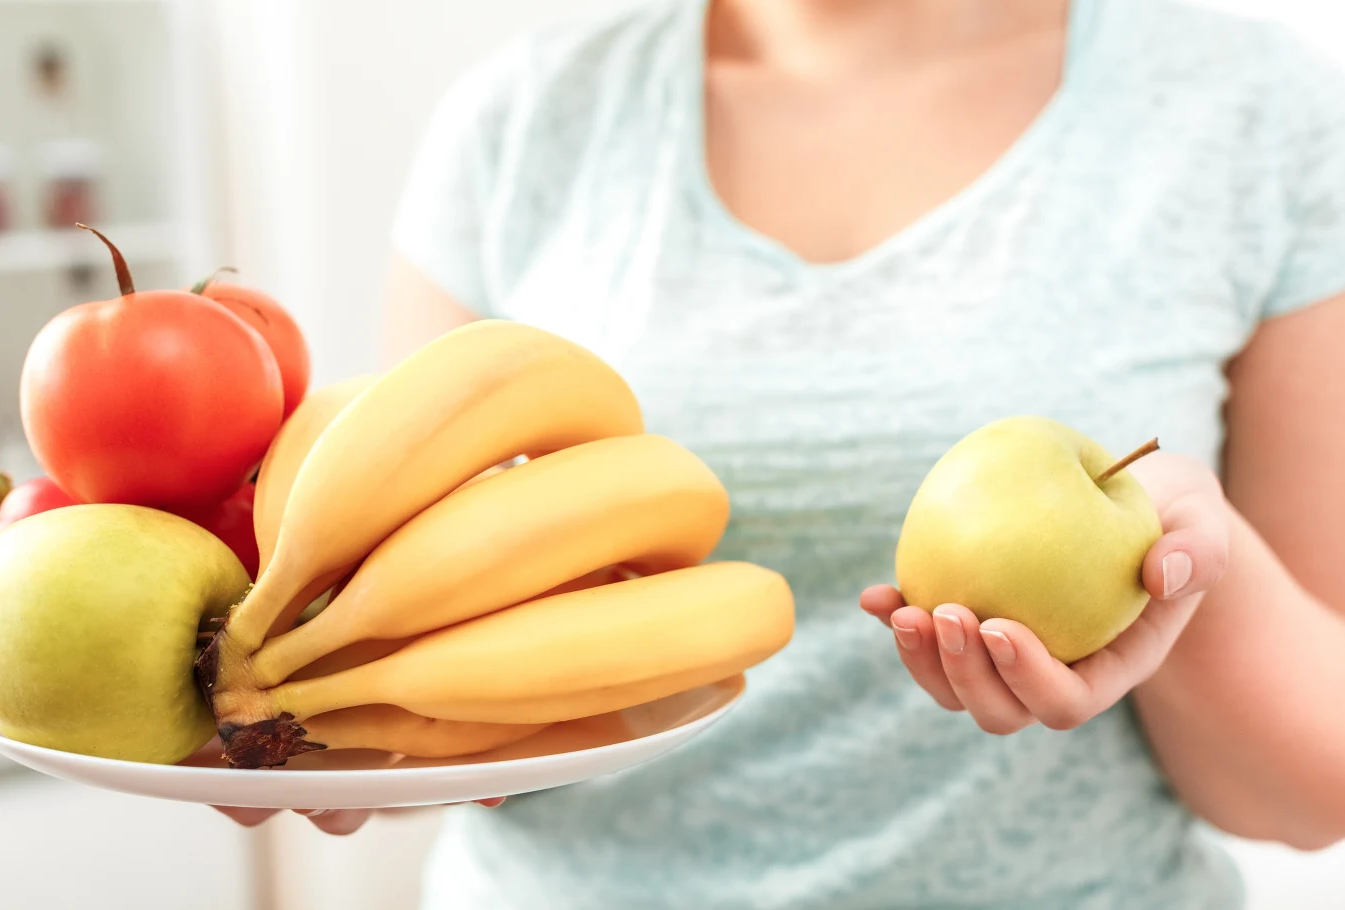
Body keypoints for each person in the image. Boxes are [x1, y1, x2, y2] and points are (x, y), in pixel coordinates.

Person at [219, 0, 1345, 906]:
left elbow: (1309, 798)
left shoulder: (1250, 110)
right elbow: (431, 649)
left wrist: (1186, 569)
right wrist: (312, 726)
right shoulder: (521, 124)